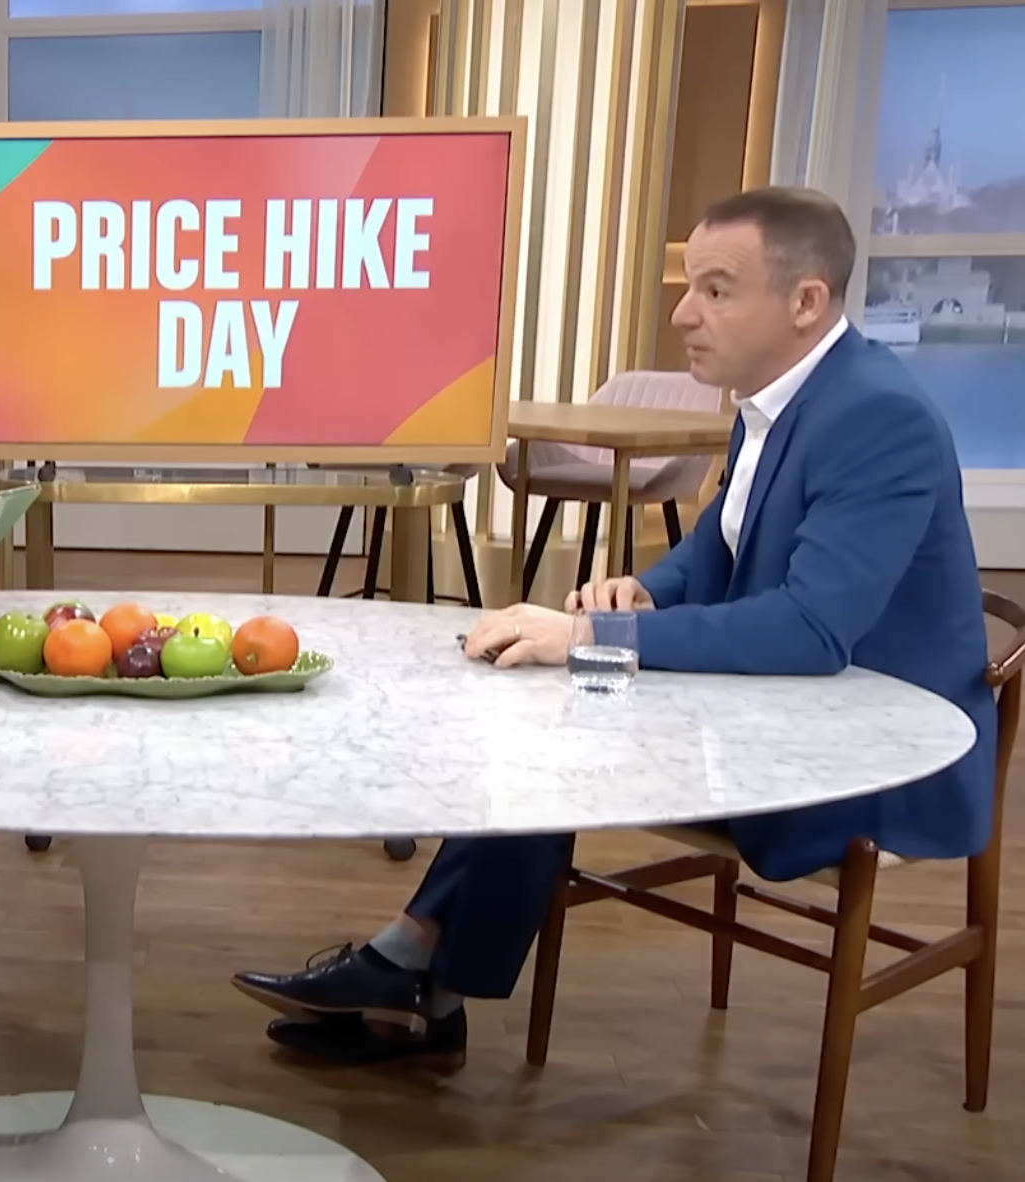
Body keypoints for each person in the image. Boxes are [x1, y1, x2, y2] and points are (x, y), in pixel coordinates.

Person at [230, 186, 997, 1068]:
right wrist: (642, 594)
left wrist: (591, 640)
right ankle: (416, 971)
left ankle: (417, 977)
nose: (683, 314)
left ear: (806, 301)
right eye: (689, 286)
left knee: (562, 709)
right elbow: (718, 550)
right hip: (784, 708)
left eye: (716, 290)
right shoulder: (778, 400)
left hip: (872, 756)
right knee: (548, 707)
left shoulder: (877, 416)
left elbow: (811, 632)